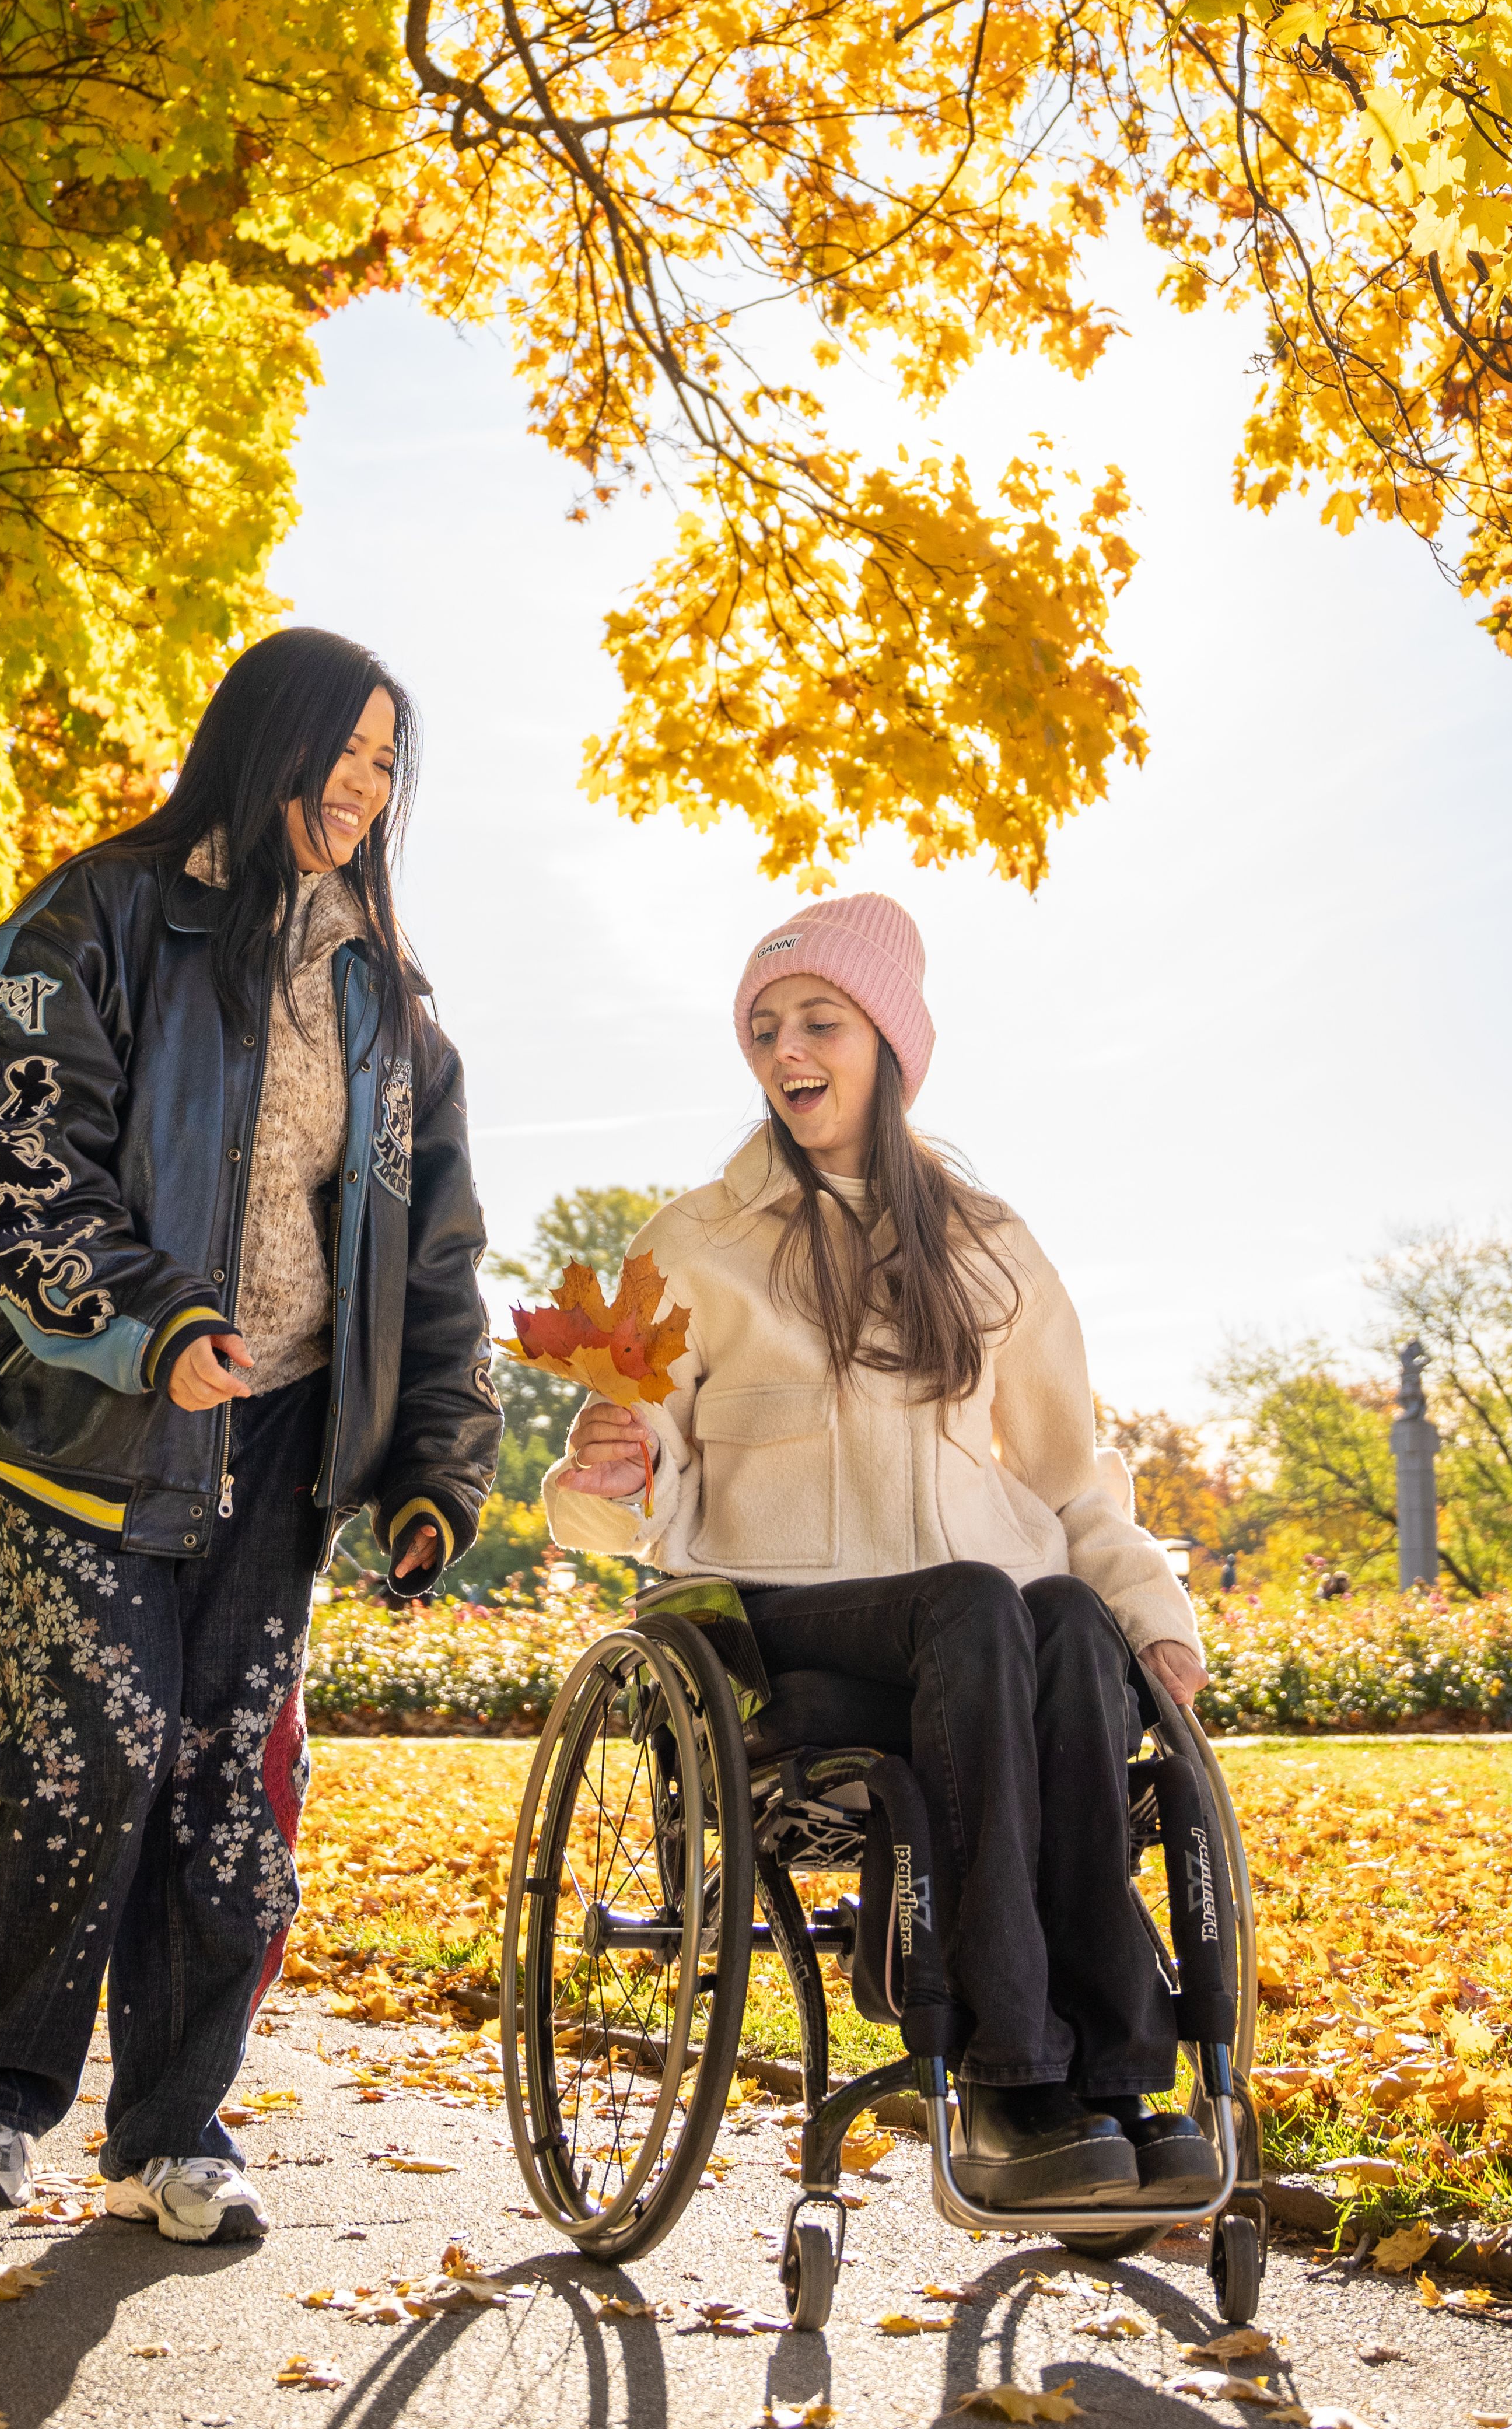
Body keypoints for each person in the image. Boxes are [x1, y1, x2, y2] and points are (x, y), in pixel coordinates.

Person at [0, 627, 501, 2241]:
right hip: (85, 1418)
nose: (371, 793)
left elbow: (434, 1255)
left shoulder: (390, 1007)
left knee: (229, 1784)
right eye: (351, 753)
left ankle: (175, 2130)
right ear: (270, 742)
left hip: (285, 1433)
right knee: (96, 1751)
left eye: (394, 766)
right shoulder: (92, 915)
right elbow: (17, 1151)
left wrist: (435, 1466)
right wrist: (152, 1320)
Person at [541, 895, 1210, 2214]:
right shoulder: (694, 1245)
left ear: (888, 1040)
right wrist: (598, 1474)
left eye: (816, 1021)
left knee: (1067, 1619)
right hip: (792, 1639)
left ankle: (1125, 2081)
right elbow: (625, 1498)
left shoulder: (988, 1245)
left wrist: (1152, 1612)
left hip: (988, 1648)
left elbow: (1070, 1478)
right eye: (760, 1028)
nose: (784, 1048)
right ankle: (1016, 2078)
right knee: (980, 1603)